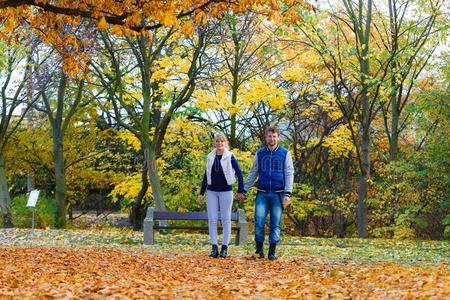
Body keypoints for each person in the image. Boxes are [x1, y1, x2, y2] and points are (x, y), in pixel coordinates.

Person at [243, 125, 294, 260]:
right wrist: (244, 189)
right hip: (262, 193)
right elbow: (253, 172)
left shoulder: (285, 153)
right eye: (269, 136)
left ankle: (272, 251)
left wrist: (288, 193)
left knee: (275, 223)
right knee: (259, 222)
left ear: (278, 137)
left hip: (278, 194)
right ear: (266, 137)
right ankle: (259, 250)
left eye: (274, 136)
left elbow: (289, 173)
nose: (272, 139)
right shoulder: (260, 153)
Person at [198, 134, 245, 258]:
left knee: (226, 220)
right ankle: (214, 247)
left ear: (225, 143)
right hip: (211, 192)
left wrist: (240, 191)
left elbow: (240, 174)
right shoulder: (210, 157)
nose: (219, 143)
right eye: (217, 141)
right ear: (215, 143)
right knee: (212, 220)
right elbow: (205, 175)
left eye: (222, 141)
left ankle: (224, 247)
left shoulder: (230, 157)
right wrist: (201, 193)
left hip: (226, 192)